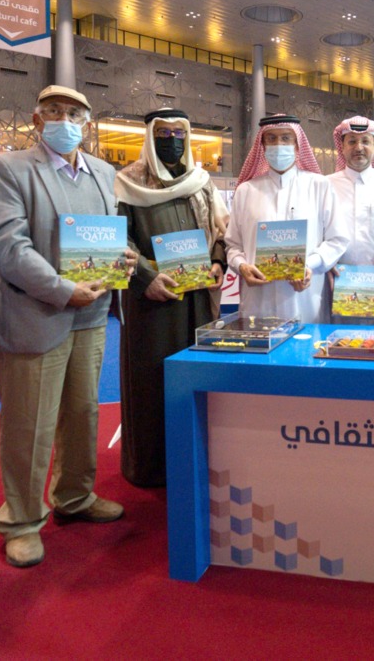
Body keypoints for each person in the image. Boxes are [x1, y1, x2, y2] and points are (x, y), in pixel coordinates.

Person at [0, 84, 137, 568]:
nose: (64, 119)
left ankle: (75, 496)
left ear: (87, 123)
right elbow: (8, 247)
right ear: (36, 118)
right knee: (30, 422)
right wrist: (60, 288)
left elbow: (107, 240)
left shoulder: (105, 174)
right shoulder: (8, 169)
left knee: (82, 411)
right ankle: (23, 520)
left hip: (91, 315)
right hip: (36, 312)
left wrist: (123, 259)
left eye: (74, 113)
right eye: (54, 111)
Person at [114, 108, 227, 488]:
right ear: (149, 136)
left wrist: (217, 261)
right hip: (152, 303)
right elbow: (117, 240)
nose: (172, 141)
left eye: (180, 133)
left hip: (197, 301)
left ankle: (194, 458)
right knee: (151, 381)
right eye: (163, 134)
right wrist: (144, 279)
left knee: (196, 376)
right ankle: (151, 468)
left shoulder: (202, 182)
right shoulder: (127, 184)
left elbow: (220, 230)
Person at [225, 114, 349, 324]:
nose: (278, 144)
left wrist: (309, 266)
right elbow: (233, 245)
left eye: (285, 138)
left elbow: (337, 239)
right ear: (262, 145)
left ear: (297, 144)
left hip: (305, 298)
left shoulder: (319, 186)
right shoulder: (246, 190)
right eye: (271, 139)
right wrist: (241, 266)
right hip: (258, 299)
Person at [325, 115, 374, 324]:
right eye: (352, 141)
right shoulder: (324, 185)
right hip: (336, 280)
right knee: (337, 345)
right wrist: (325, 261)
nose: (359, 147)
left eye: (365, 141)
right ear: (342, 146)